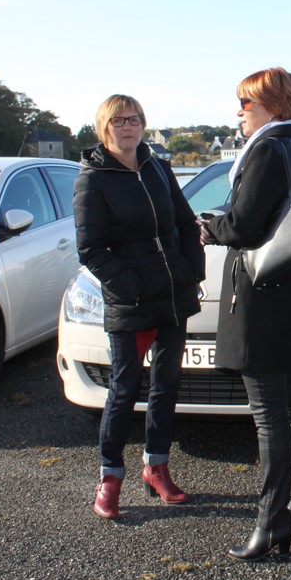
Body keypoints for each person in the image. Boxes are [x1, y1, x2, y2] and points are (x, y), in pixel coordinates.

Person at [201, 67, 291, 562]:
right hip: (290, 287)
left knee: (269, 414)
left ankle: (272, 523)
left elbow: (245, 223)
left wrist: (212, 227)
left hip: (262, 291)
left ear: (271, 106)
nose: (239, 112)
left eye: (245, 104)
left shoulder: (269, 150)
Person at [74, 94, 206, 520]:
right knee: (124, 390)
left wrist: (192, 271)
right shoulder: (93, 178)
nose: (127, 127)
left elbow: (186, 223)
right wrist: (131, 285)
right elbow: (91, 249)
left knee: (166, 387)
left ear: (143, 125)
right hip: (130, 302)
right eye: (118, 121)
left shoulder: (157, 167)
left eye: (134, 119)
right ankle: (110, 479)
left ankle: (157, 467)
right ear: (104, 128)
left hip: (172, 297)